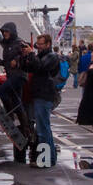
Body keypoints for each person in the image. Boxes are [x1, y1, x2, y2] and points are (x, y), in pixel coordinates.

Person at [0, 21, 34, 162]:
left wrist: (17, 60)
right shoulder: (8, 45)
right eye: (3, 32)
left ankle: (10, 114)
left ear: (12, 32)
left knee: (3, 91)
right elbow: (6, 62)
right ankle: (25, 127)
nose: (4, 34)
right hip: (12, 75)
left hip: (19, 76)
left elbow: (26, 55)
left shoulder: (19, 43)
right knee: (17, 101)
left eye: (7, 32)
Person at [20, 33, 61, 166]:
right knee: (43, 128)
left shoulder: (52, 57)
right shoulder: (41, 56)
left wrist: (31, 54)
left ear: (48, 44)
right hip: (39, 94)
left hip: (45, 95)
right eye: (38, 45)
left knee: (43, 129)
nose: (38, 47)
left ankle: (45, 159)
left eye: (41, 44)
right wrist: (25, 56)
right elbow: (29, 68)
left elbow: (41, 67)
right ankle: (50, 158)